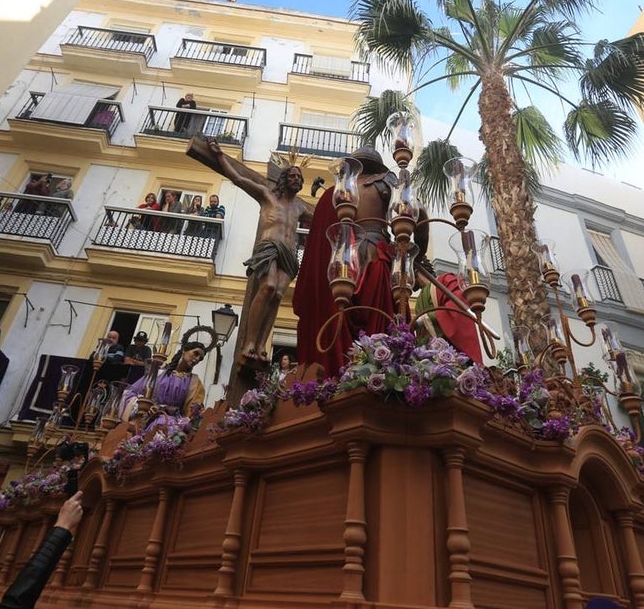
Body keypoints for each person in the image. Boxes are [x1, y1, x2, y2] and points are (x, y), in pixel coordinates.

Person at [294, 146, 428, 378]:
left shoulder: (336, 192)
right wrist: (417, 255)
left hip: (342, 263)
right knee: (384, 322)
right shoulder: (387, 182)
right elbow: (421, 215)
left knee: (343, 313)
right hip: (377, 256)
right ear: (378, 167)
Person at [208, 141, 314, 368]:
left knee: (276, 295)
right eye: (293, 176)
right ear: (285, 179)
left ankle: (261, 345)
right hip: (269, 246)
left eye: (300, 178)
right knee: (267, 287)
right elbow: (238, 178)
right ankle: (249, 342)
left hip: (289, 255)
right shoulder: (267, 195)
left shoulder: (300, 207)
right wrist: (219, 157)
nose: (297, 180)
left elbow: (323, 218)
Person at [120, 329, 208, 423]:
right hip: (148, 418)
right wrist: (145, 406)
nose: (197, 359)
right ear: (184, 351)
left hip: (173, 423)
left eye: (201, 358)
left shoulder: (195, 383)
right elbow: (129, 393)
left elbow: (193, 413)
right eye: (196, 353)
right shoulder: (158, 373)